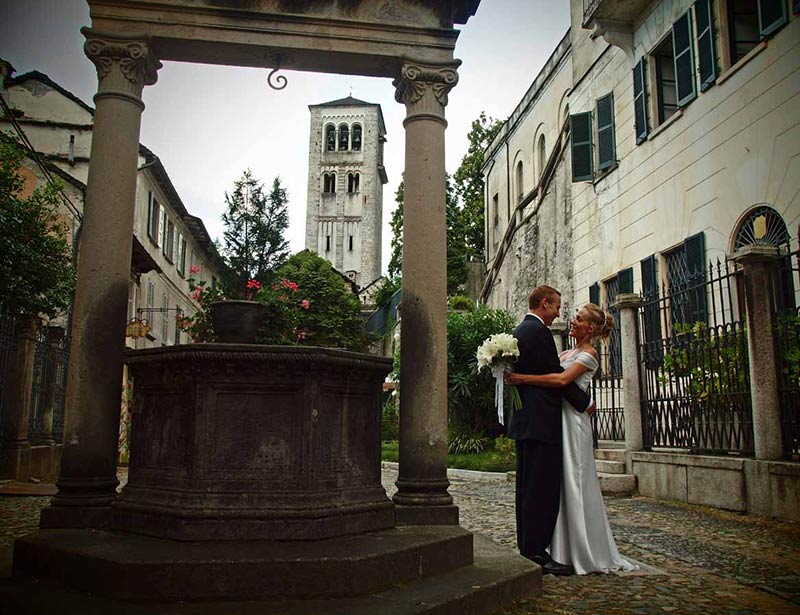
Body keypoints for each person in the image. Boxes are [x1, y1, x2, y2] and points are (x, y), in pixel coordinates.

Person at [506, 302, 636, 575]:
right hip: (557, 421)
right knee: (559, 484)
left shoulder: (589, 355)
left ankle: (582, 547)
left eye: (578, 318)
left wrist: (522, 378)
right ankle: (560, 546)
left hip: (573, 424)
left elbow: (561, 381)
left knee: (575, 480)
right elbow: (552, 374)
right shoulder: (567, 351)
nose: (572, 320)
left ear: (590, 328)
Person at [506, 285, 594, 576]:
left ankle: (529, 547)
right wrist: (584, 402)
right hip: (541, 423)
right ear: (544, 303)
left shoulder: (522, 331)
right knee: (540, 491)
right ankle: (536, 552)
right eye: (556, 306)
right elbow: (556, 376)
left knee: (528, 489)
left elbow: (550, 373)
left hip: (528, 422)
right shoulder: (539, 333)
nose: (559, 313)